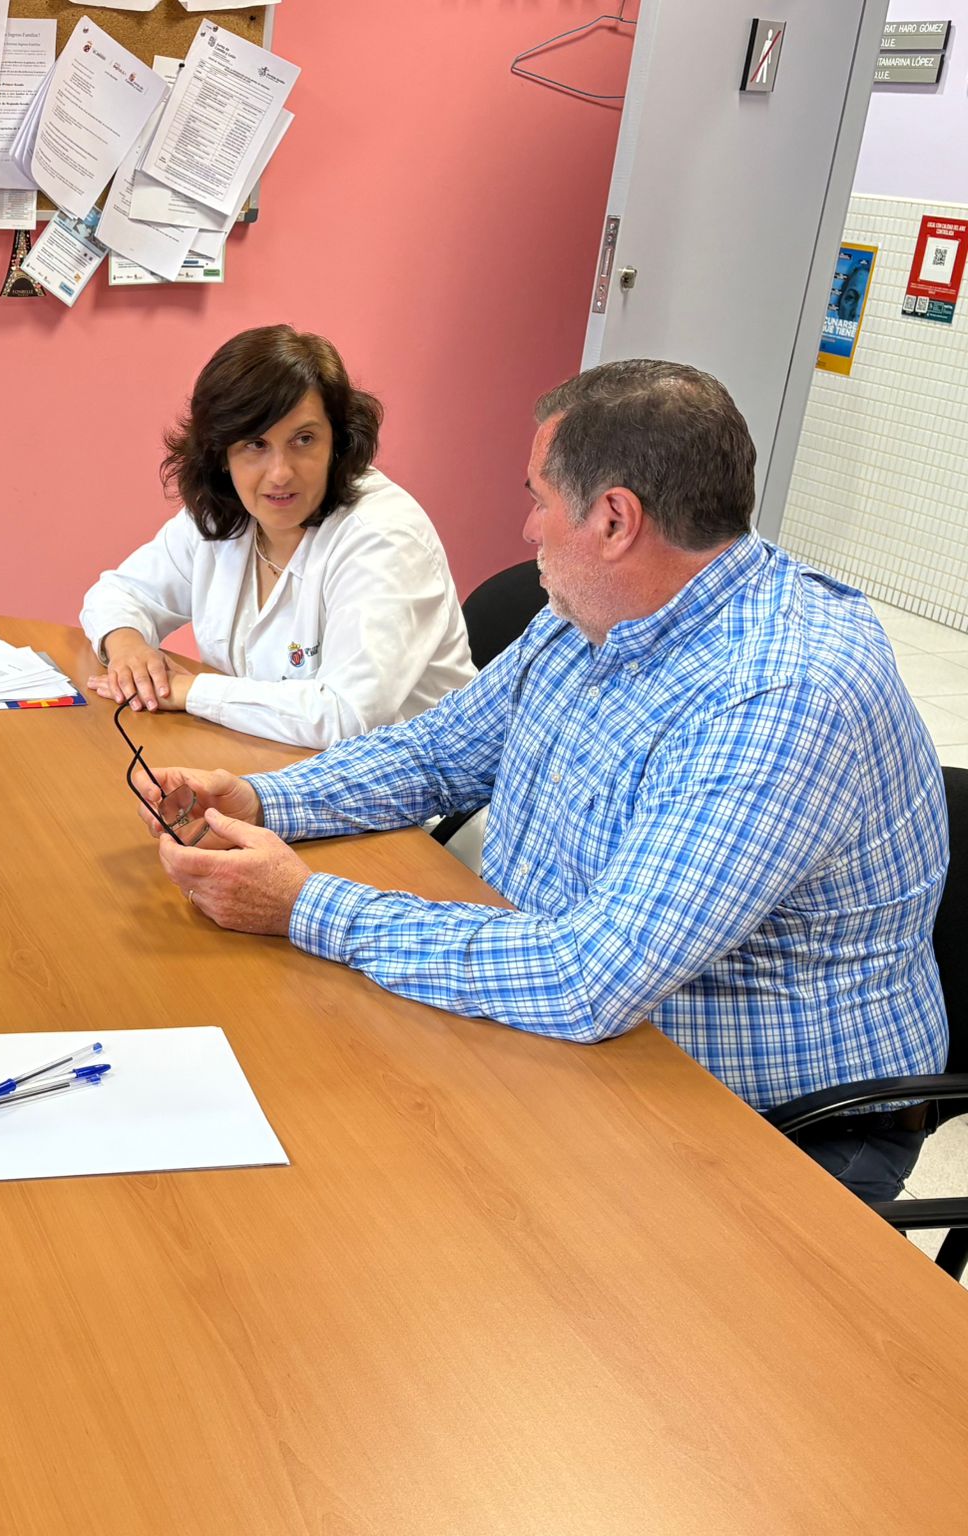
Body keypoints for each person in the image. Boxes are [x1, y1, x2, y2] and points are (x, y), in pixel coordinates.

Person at [135, 360, 948, 1201]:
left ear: (614, 519)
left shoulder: (780, 694)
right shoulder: (594, 610)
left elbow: (588, 978)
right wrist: (268, 798)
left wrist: (304, 906)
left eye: (538, 498)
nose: (527, 529)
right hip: (576, 1032)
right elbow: (439, 752)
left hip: (767, 1118)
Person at [80, 324, 474, 747]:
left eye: (303, 439)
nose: (281, 472)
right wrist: (127, 648)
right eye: (255, 444)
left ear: (337, 443)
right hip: (272, 765)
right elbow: (118, 594)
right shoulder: (226, 515)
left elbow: (345, 716)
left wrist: (190, 691)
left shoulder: (383, 536)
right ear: (221, 454)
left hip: (407, 798)